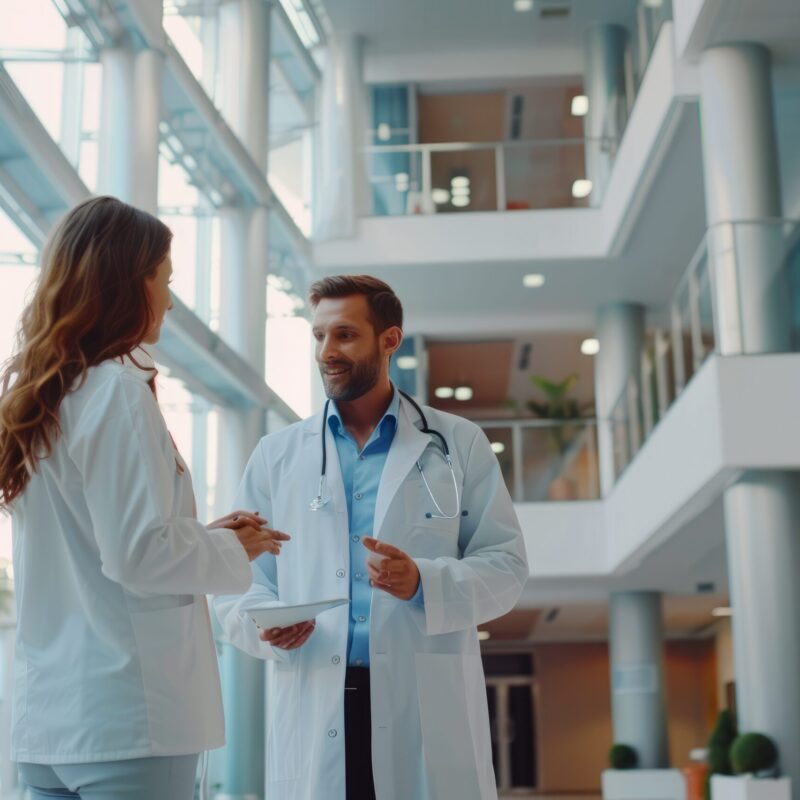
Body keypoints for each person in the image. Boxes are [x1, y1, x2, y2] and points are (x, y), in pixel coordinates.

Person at [0, 196, 287, 799]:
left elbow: (97, 543)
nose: (172, 301)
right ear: (130, 282)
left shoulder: (43, 400)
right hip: (130, 719)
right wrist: (237, 549)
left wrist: (207, 538)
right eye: (166, 281)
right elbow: (138, 557)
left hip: (50, 719)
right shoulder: (117, 392)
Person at [215, 275, 529, 800]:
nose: (326, 352)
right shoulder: (278, 455)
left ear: (389, 340)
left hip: (420, 701)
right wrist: (262, 623)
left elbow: (506, 564)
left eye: (344, 335)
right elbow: (237, 578)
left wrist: (423, 581)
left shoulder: (456, 442)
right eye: (318, 337)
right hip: (317, 690)